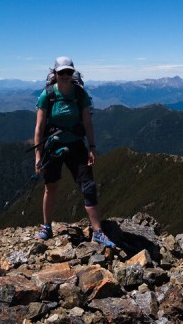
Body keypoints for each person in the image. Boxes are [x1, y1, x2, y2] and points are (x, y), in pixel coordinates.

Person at [33, 56, 115, 247]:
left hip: (77, 145)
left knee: (88, 186)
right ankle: (46, 226)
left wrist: (92, 147)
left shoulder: (79, 94)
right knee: (51, 186)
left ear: (73, 72)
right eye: (61, 72)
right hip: (52, 146)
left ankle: (97, 231)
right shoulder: (47, 95)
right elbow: (38, 128)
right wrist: (37, 156)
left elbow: (87, 122)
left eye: (68, 72)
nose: (65, 75)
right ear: (55, 73)